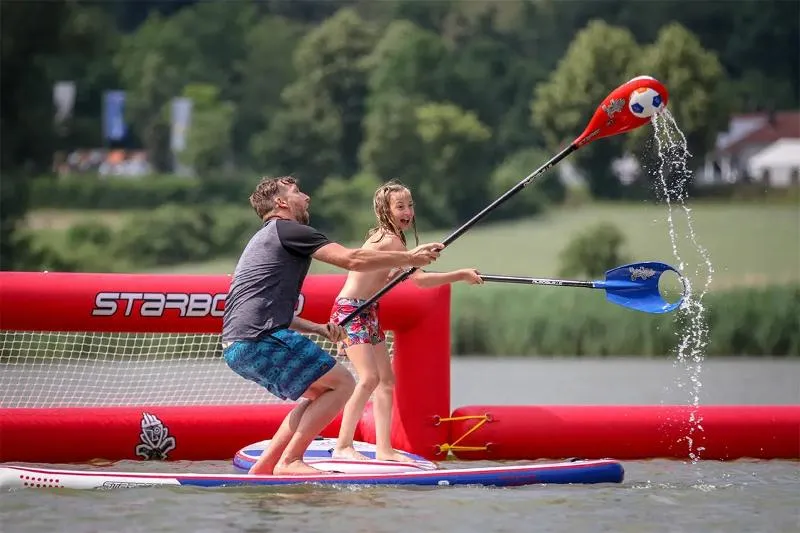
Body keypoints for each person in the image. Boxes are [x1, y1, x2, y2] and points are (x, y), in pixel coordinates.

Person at [221, 176, 444, 476]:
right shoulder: (290, 231)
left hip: (236, 347)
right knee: (343, 383)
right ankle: (290, 462)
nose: (307, 197)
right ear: (281, 203)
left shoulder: (264, 238)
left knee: (318, 393)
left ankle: (264, 468)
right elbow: (352, 259)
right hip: (260, 338)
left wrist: (316, 328)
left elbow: (266, 308)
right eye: (297, 192)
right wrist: (409, 256)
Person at [329, 179, 483, 463]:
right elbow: (417, 276)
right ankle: (343, 445)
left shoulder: (396, 242)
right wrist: (425, 262)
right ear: (385, 210)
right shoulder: (388, 239)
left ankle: (383, 449)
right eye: (400, 206)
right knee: (370, 378)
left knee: (386, 381)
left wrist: (456, 273)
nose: (407, 211)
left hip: (369, 312)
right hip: (350, 311)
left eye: (410, 205)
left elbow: (418, 279)